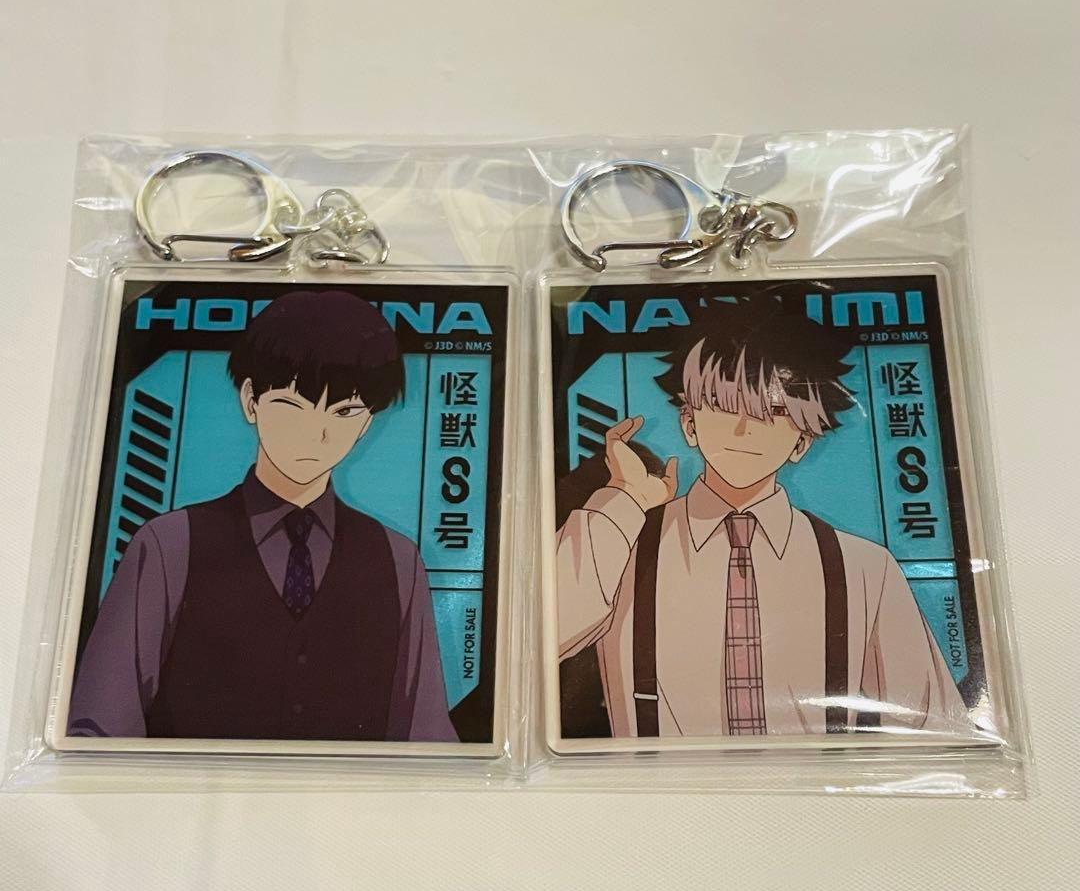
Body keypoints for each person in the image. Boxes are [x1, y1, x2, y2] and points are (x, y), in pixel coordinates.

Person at [555, 298, 969, 738]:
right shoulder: (623, 545)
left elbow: (933, 730)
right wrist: (624, 497)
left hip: (819, 780)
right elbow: (538, 637)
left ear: (802, 441)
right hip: (653, 779)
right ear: (690, 424)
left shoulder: (865, 568)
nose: (744, 429)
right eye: (723, 405)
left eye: (773, 411)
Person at [69, 290, 457, 743]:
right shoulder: (169, 545)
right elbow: (98, 726)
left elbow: (427, 737)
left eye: (345, 411)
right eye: (292, 406)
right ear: (251, 399)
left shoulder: (397, 560)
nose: (317, 434)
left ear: (367, 422)